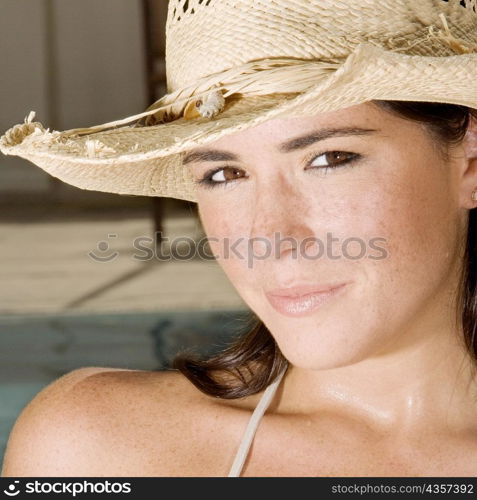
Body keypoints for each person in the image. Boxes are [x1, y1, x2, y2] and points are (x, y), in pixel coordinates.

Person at [1, 0, 477, 477]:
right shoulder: (97, 449)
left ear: (470, 162)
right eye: (225, 173)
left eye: (329, 159)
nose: (268, 238)